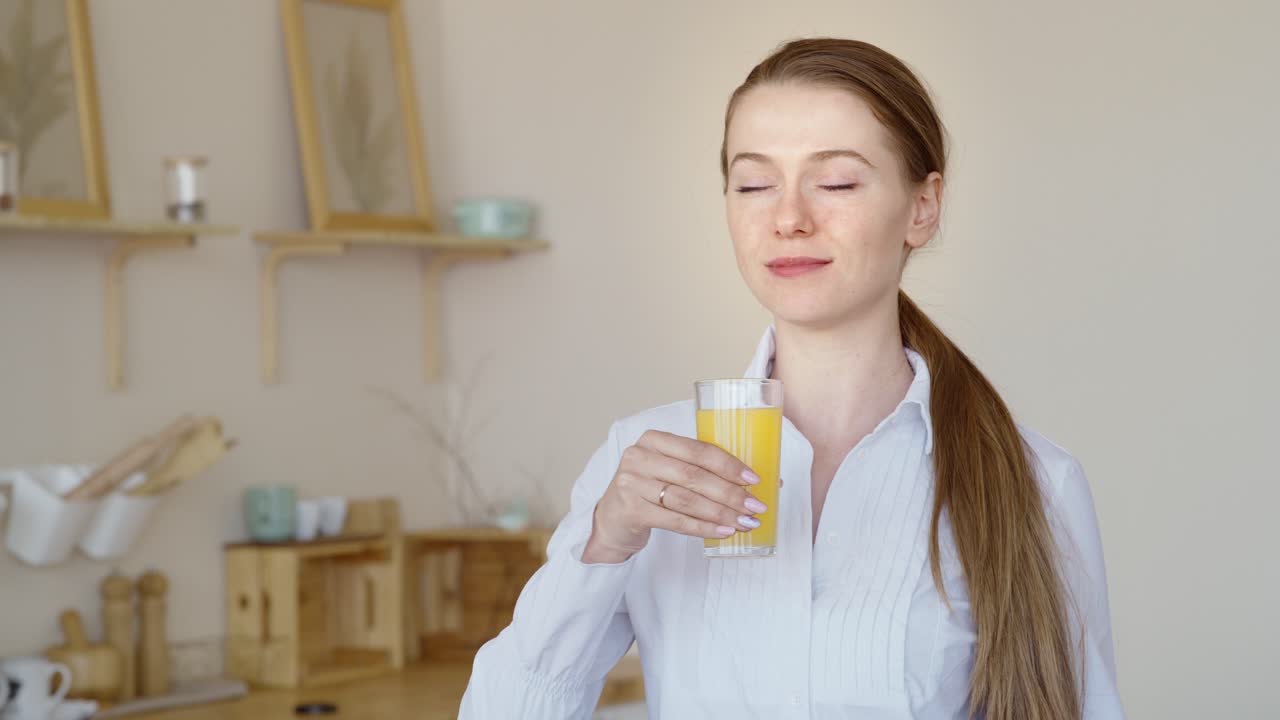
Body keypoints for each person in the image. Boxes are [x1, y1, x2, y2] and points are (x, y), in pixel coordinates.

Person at [459, 37, 1124, 720]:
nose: (788, 218)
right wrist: (604, 542)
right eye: (753, 184)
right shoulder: (644, 465)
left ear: (921, 209)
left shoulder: (1035, 483)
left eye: (835, 182)